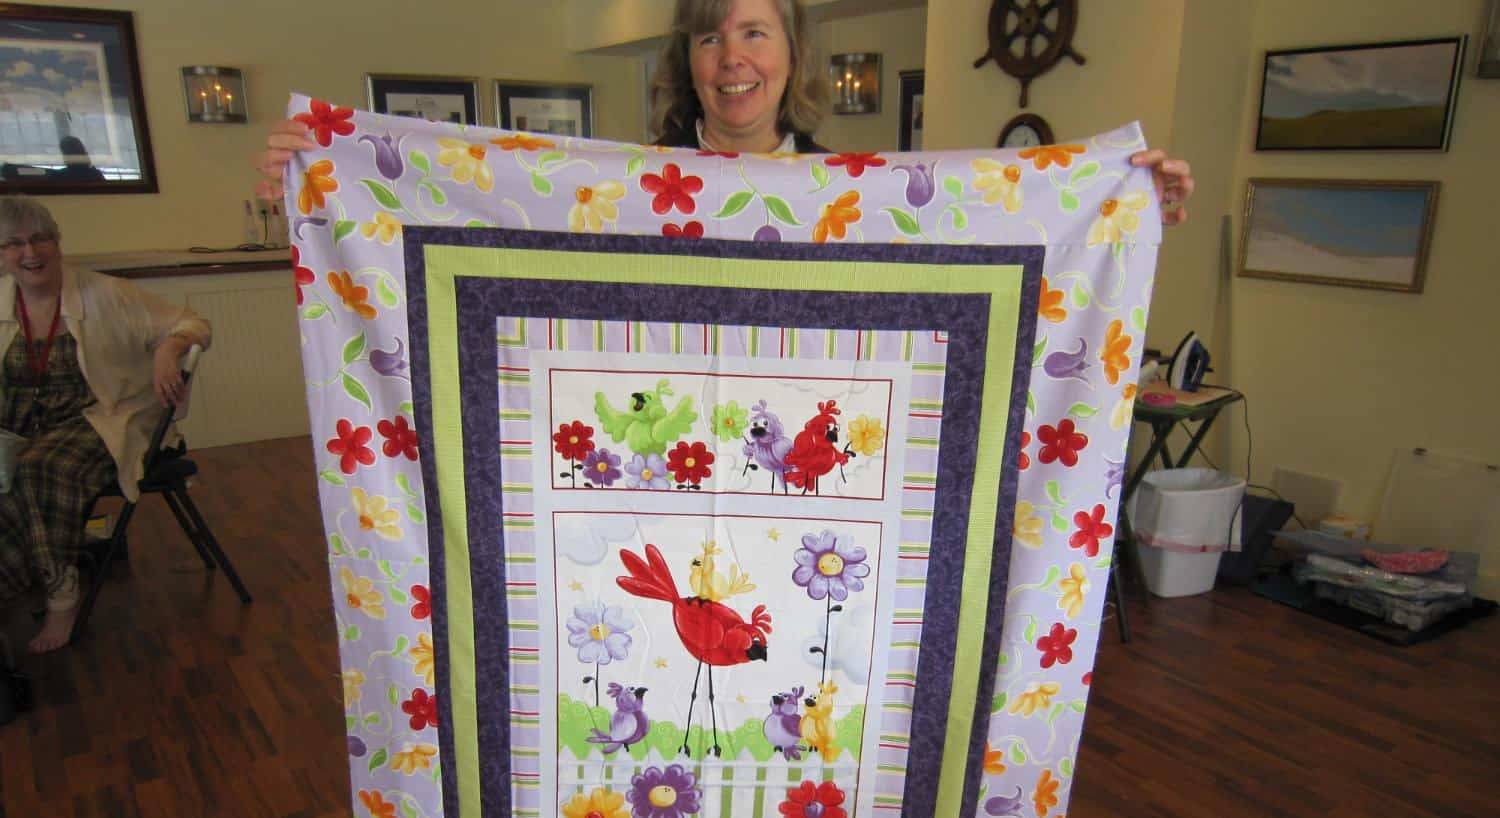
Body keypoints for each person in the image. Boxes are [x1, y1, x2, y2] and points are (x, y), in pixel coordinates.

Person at [256, 0, 1192, 221]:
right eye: (709, 36)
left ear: (792, 56)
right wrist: (326, 174)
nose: (732, 58)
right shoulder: (619, 187)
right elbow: (482, 209)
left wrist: (1119, 198)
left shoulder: (846, 193)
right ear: (686, 61)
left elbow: (989, 225)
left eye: (755, 33)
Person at [0, 196, 211, 653]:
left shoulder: (105, 293)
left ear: (57, 243)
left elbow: (192, 323)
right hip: (19, 425)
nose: (30, 252)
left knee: (39, 468)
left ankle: (62, 596)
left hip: (100, 418)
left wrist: (167, 350)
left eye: (40, 238)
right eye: (14, 243)